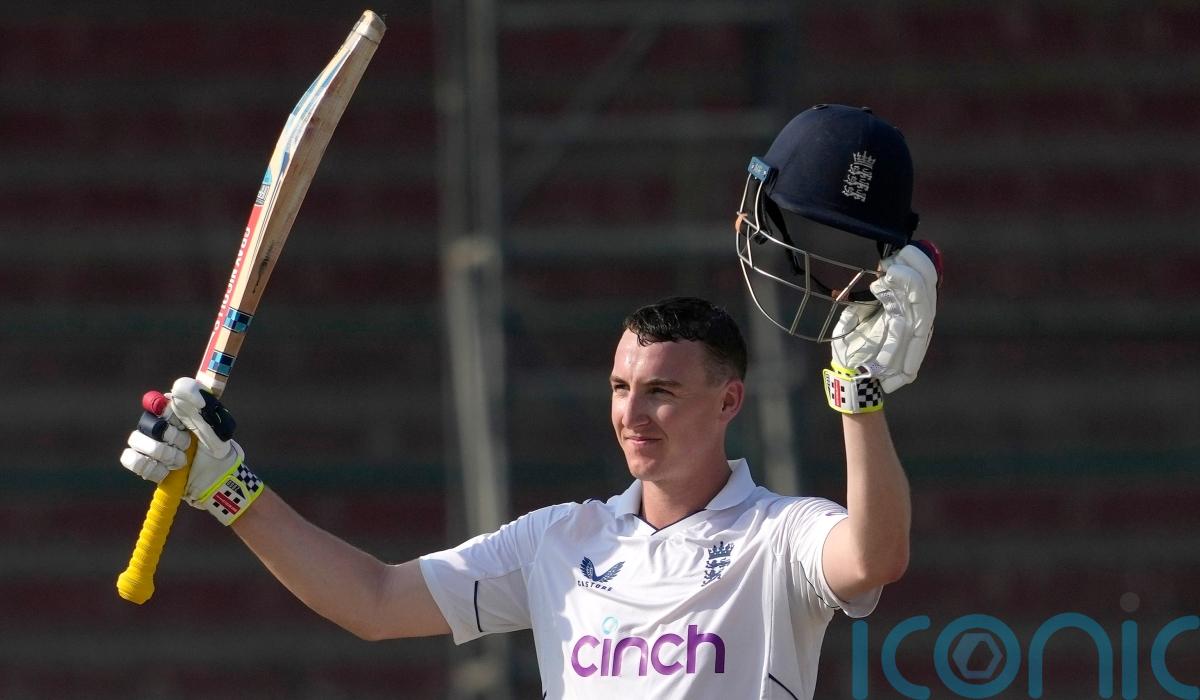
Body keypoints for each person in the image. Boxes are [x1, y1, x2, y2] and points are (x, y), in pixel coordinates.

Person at [121, 104, 940, 699]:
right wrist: (229, 489)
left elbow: (875, 559)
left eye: (661, 392)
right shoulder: (559, 540)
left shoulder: (779, 536)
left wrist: (856, 397)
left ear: (729, 402)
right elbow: (373, 602)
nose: (631, 414)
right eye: (620, 388)